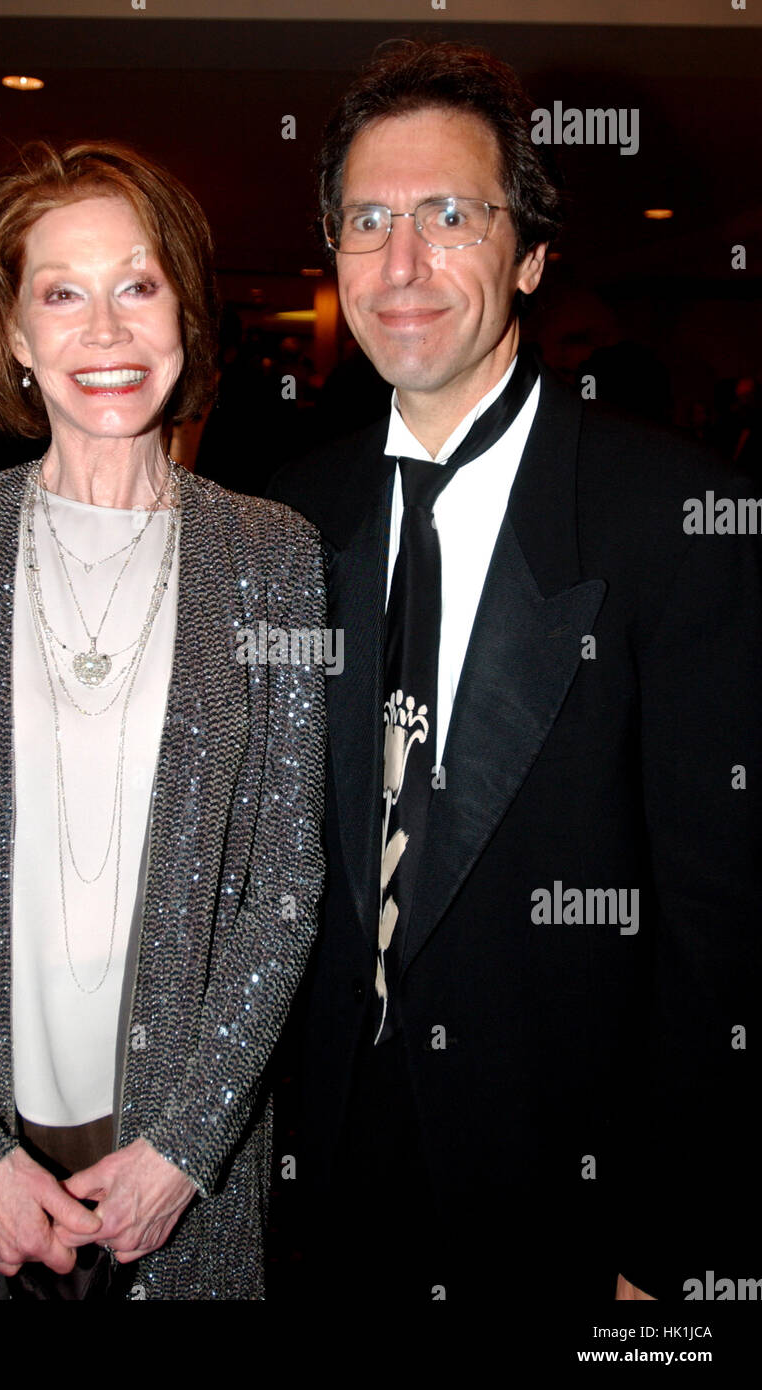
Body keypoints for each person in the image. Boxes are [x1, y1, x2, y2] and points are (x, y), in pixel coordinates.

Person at [268, 41, 761, 1301]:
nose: (401, 264)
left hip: (565, 1194)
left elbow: (723, 925)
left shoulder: (675, 518)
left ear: (529, 256)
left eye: (449, 215)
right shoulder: (277, 524)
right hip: (319, 1171)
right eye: (366, 221)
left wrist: (668, 1238)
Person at [0, 138, 326, 1301]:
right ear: (13, 335)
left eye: (138, 284)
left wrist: (185, 1149)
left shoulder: (272, 555)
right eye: (61, 293)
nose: (105, 330)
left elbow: (282, 881)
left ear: (185, 314)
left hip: (177, 1141)